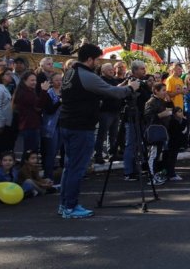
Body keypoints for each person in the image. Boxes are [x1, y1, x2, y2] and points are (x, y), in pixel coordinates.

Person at [56, 44, 138, 219]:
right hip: (81, 126)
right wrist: (130, 88)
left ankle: (64, 204)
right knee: (77, 168)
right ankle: (70, 206)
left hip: (67, 123)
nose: (98, 63)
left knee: (69, 167)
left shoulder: (70, 73)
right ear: (90, 59)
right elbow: (113, 92)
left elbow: (94, 91)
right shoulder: (86, 75)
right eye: (97, 60)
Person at [122, 60, 152, 182]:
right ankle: (128, 171)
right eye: (141, 69)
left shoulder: (142, 83)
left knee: (139, 144)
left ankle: (136, 167)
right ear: (134, 70)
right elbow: (143, 96)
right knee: (131, 144)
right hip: (132, 116)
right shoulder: (132, 82)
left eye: (144, 68)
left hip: (140, 116)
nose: (144, 71)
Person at [94, 63, 122, 165]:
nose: (112, 71)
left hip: (116, 111)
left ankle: (112, 154)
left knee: (113, 135)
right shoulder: (101, 81)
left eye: (112, 69)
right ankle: (98, 155)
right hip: (106, 111)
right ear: (103, 71)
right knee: (102, 134)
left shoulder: (114, 80)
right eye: (109, 69)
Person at [41, 72, 63, 181]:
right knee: (51, 151)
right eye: (56, 80)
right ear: (52, 82)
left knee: (56, 151)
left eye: (60, 80)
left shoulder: (64, 92)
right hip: (51, 125)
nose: (59, 82)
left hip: (62, 125)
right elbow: (49, 110)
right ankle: (48, 176)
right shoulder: (49, 93)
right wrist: (60, 101)